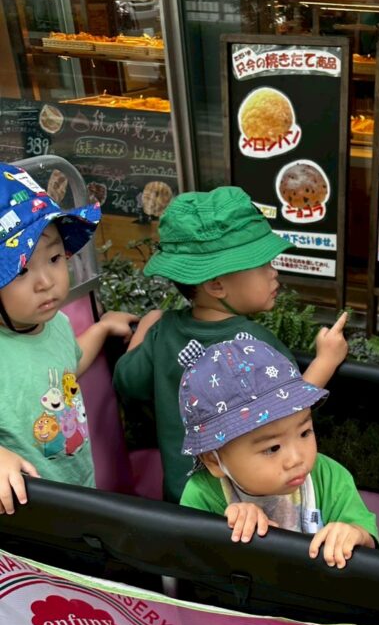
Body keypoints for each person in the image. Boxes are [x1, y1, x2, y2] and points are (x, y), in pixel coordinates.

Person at [113, 186, 348, 503]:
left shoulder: (163, 331)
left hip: (184, 498)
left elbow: (127, 381)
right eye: (262, 265)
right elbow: (290, 409)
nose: (274, 273)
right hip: (248, 499)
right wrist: (326, 360)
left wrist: (146, 326)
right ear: (216, 285)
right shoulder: (256, 344)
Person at [0, 164, 137, 514]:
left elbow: (68, 367)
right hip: (26, 515)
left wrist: (100, 329)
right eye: (21, 269)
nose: (46, 282)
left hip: (79, 488)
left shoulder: (56, 323)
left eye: (54, 258)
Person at [178, 337, 378, 568]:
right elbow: (188, 560)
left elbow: (368, 539)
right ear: (214, 460)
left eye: (304, 432)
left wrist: (354, 534)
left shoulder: (329, 477)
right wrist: (226, 529)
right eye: (272, 448)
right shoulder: (203, 495)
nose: (296, 459)